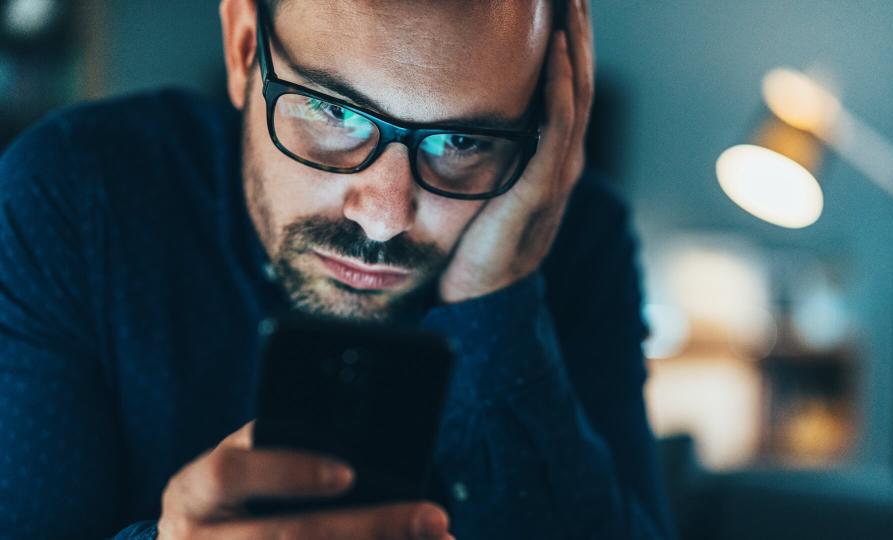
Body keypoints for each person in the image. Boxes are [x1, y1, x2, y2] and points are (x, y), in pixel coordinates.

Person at [0, 0, 673, 538]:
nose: (383, 217)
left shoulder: (577, 236)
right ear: (243, 47)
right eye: (332, 110)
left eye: (462, 140)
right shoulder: (74, 197)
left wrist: (496, 301)